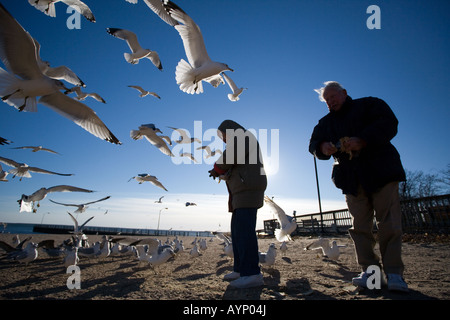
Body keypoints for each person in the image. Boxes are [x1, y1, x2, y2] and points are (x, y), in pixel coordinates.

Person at [309, 81, 408, 292]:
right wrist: (322, 147)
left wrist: (363, 140)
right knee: (360, 228)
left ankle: (394, 274)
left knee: (389, 223)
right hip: (351, 179)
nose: (330, 102)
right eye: (327, 100)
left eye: (333, 96)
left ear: (344, 93)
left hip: (381, 170)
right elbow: (313, 144)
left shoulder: (370, 105)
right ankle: (372, 274)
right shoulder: (325, 123)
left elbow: (390, 123)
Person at [208, 120, 267, 288]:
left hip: (248, 190)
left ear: (231, 131)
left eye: (224, 136)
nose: (224, 140)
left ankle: (252, 274)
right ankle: (241, 270)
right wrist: (224, 173)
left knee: (244, 232)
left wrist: (217, 168)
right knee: (237, 233)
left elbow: (229, 158)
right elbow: (235, 164)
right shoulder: (241, 141)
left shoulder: (244, 138)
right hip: (241, 192)